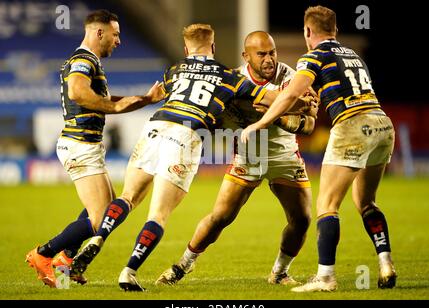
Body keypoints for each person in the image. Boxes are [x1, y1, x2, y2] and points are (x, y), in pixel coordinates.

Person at [69, 23, 280, 291]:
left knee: (127, 197)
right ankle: (129, 271)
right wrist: (301, 99)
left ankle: (98, 238)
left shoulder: (174, 70)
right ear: (213, 47)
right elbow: (274, 99)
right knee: (158, 215)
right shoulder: (230, 76)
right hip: (187, 134)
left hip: (155, 126)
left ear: (185, 49)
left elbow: (166, 94)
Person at [241, 5, 396, 292]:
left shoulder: (313, 56)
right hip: (383, 125)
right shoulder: (354, 55)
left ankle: (325, 277)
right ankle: (386, 263)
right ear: (335, 30)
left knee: (327, 206)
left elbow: (290, 93)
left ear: (307, 31)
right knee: (366, 203)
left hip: (352, 125)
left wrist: (260, 123)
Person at [155, 31, 318, 287]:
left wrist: (276, 115)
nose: (269, 60)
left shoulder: (292, 77)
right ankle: (181, 266)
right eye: (261, 54)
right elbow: (214, 118)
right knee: (220, 217)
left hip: (284, 155)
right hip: (247, 156)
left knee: (303, 220)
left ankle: (279, 272)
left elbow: (309, 125)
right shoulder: (233, 81)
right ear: (246, 56)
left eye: (272, 53)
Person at [25, 9, 163, 288]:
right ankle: (43, 254)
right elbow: (78, 92)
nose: (119, 41)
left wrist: (145, 100)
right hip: (79, 146)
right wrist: (113, 106)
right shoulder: (83, 60)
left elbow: (103, 99)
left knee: (107, 211)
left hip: (87, 145)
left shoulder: (90, 62)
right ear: (99, 32)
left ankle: (65, 264)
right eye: (116, 34)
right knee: (101, 217)